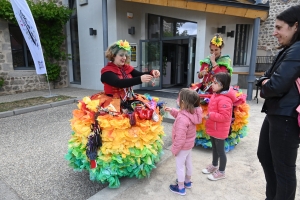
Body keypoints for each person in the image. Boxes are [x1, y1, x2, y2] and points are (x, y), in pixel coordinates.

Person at [65, 40, 165, 188]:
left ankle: (130, 161)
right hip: (112, 103)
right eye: (121, 55)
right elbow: (118, 83)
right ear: (113, 55)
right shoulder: (107, 71)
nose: (124, 58)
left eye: (125, 55)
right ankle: (111, 166)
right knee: (113, 134)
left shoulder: (126, 68)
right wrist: (139, 79)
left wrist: (151, 73)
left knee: (133, 129)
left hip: (127, 99)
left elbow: (139, 74)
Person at [257, 5, 300, 200]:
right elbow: (266, 78)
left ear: (295, 27)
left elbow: (274, 86)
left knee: (283, 169)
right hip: (277, 113)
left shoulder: (297, 50)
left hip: (286, 118)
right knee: (265, 156)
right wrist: (266, 81)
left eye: (279, 28)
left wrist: (266, 83)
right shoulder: (290, 49)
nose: (274, 32)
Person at [190, 35, 249, 152]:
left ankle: (219, 137)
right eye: (212, 50)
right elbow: (200, 76)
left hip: (219, 91)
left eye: (216, 50)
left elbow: (223, 77)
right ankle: (201, 136)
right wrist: (201, 73)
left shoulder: (225, 61)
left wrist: (214, 63)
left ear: (221, 49)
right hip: (206, 89)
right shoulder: (206, 61)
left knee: (219, 113)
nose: (214, 52)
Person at [202, 72, 245, 181]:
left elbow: (225, 117)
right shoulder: (217, 95)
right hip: (213, 127)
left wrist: (211, 115)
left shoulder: (225, 99)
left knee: (220, 151)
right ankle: (214, 165)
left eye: (215, 83)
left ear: (223, 85)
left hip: (220, 130)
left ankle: (221, 171)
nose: (213, 85)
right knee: (214, 149)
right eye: (213, 82)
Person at [164, 88, 202, 196]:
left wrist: (175, 149)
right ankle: (188, 182)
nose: (177, 100)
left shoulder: (182, 119)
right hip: (189, 145)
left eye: (179, 98)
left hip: (182, 146)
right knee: (188, 163)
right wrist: (171, 110)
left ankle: (180, 188)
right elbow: (181, 114)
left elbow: (180, 138)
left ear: (183, 102)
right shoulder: (192, 112)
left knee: (180, 166)